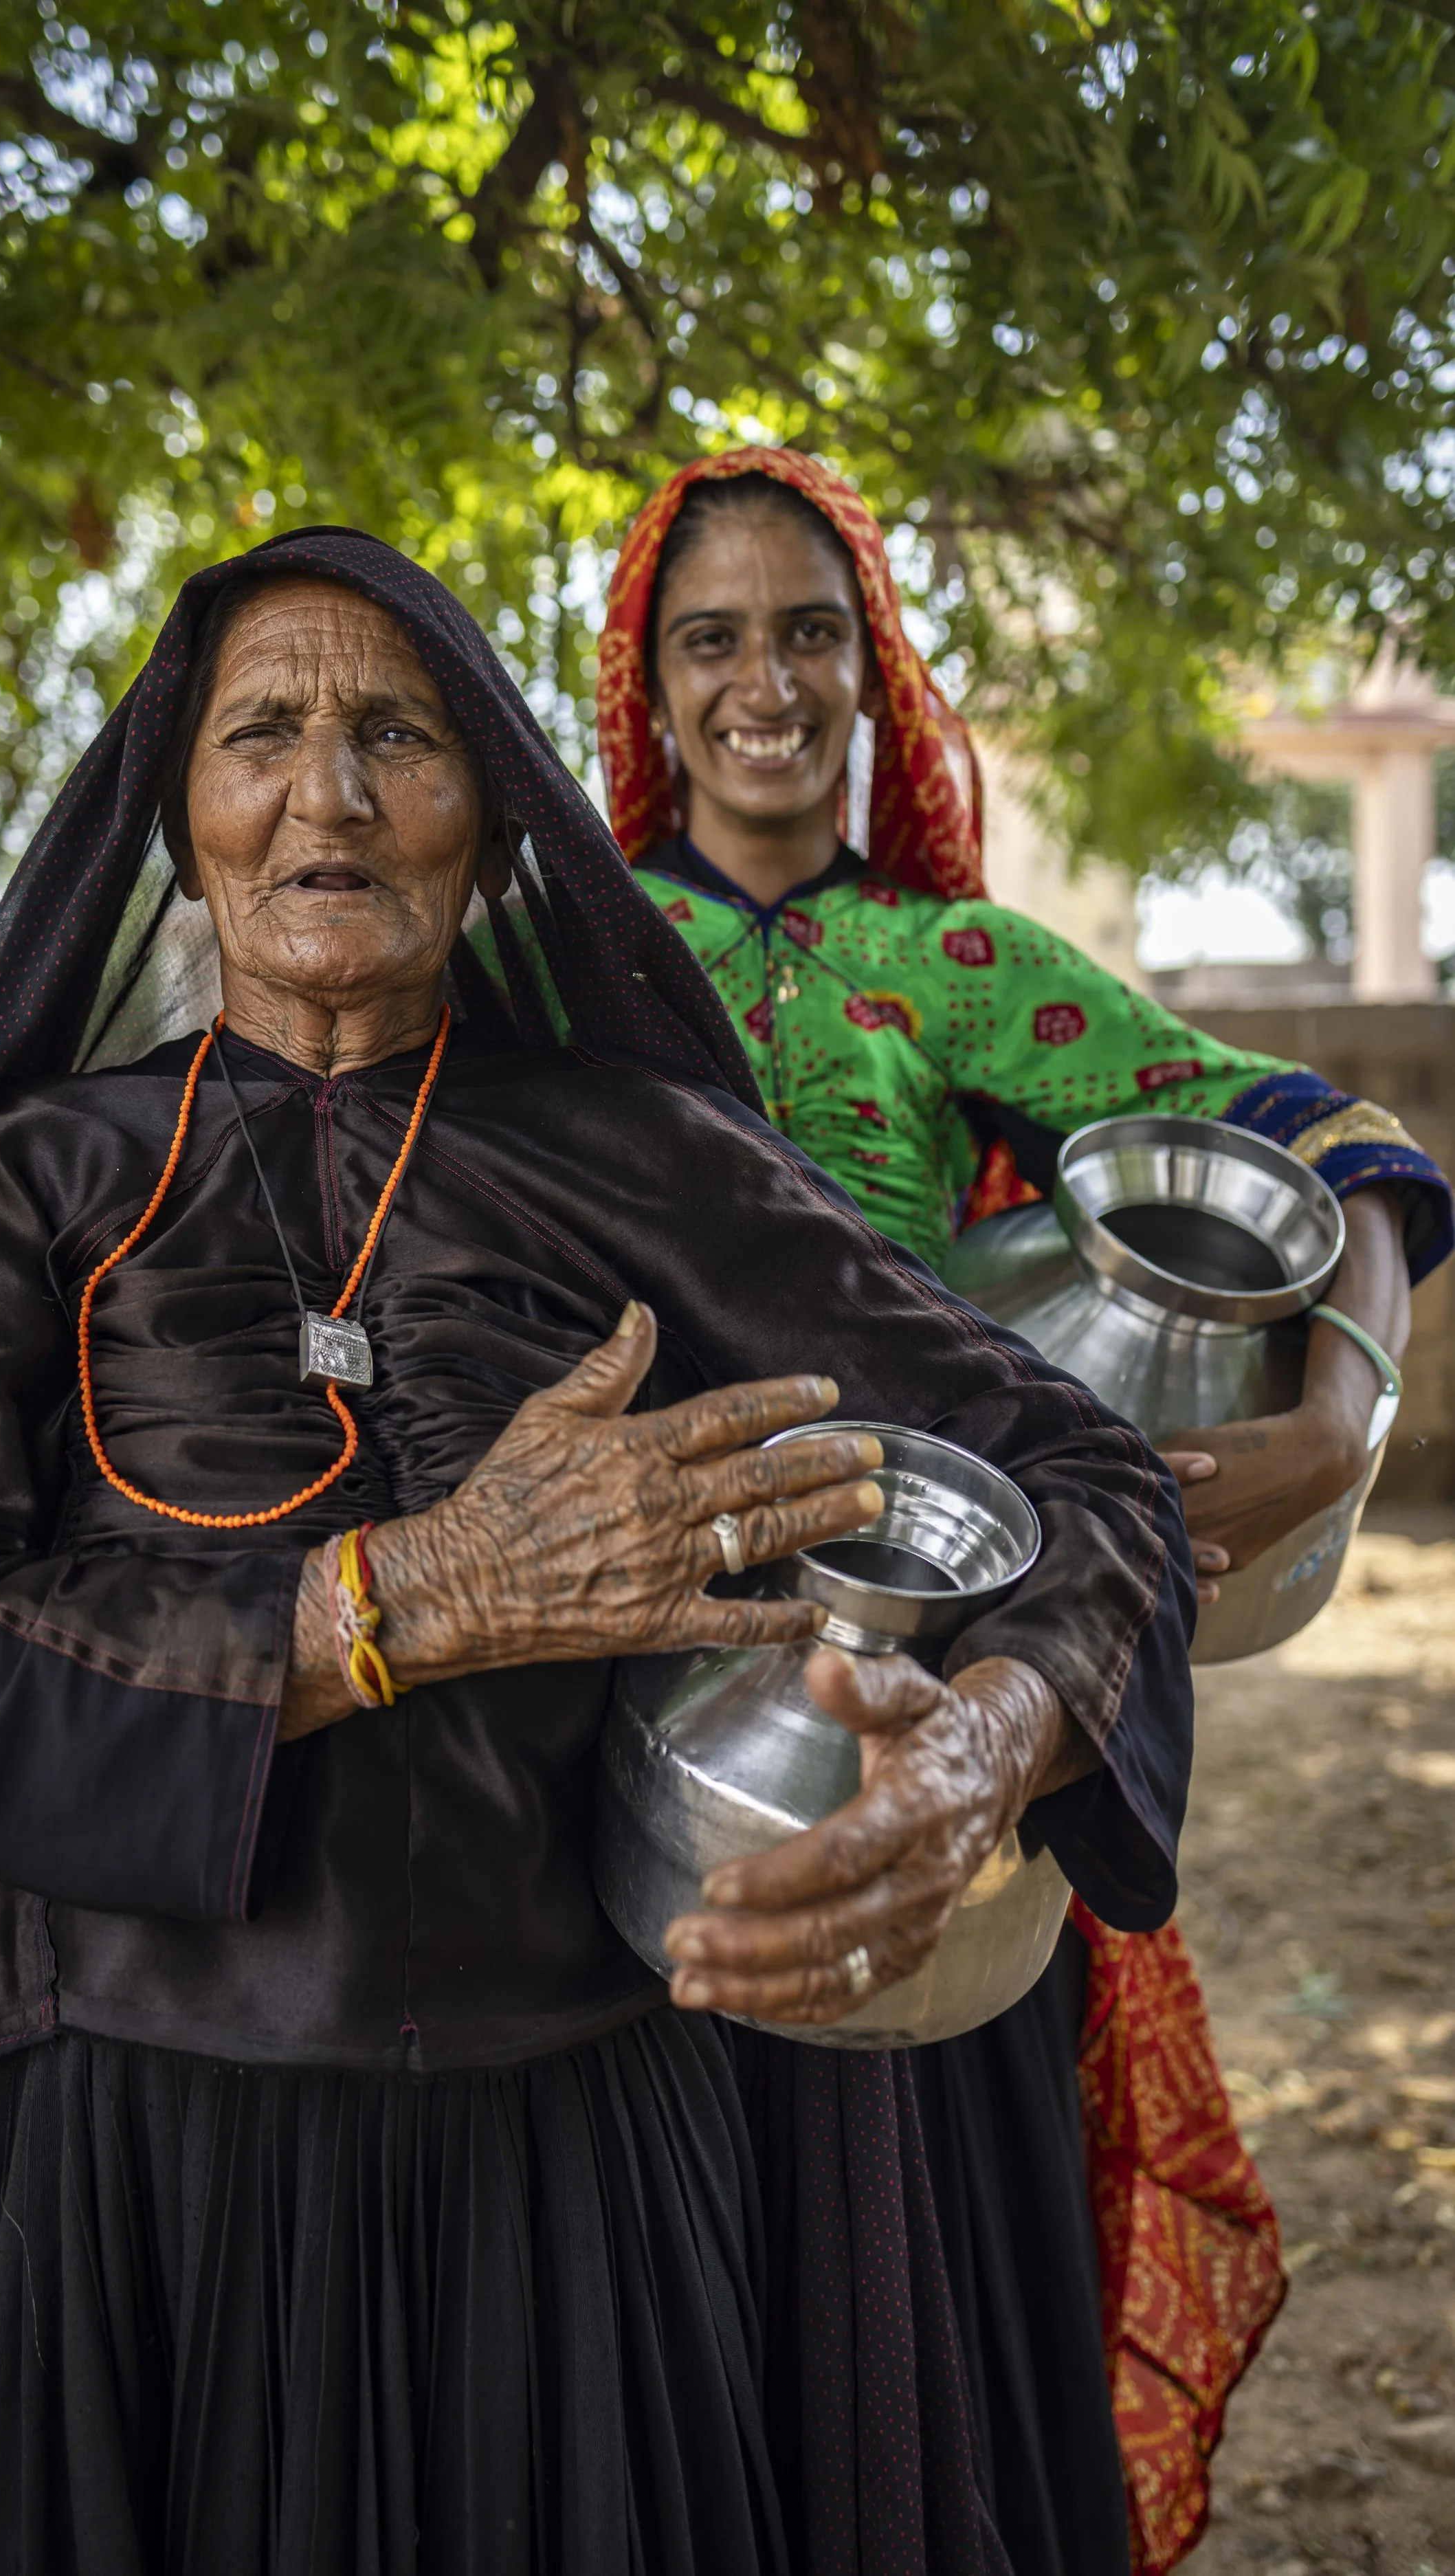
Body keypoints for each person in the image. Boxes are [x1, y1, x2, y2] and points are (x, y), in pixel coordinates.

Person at [0, 530, 1199, 2576]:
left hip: (571, 2173)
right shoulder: (37, 1178)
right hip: (123, 2176)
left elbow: (1086, 1479)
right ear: (179, 827)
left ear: (501, 822)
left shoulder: (643, 1159)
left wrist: (990, 1749)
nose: (331, 792)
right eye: (260, 732)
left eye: (400, 736)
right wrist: (406, 1597)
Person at [593, 447, 1454, 2576]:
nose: (763, 680)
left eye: (809, 631)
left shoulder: (957, 962)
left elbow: (1332, 1141)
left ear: (872, 669)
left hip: (922, 1666)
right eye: (709, 638)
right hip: (613, 1672)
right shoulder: (571, 957)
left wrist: (1343, 1412)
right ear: (645, 682)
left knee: (910, 2270)